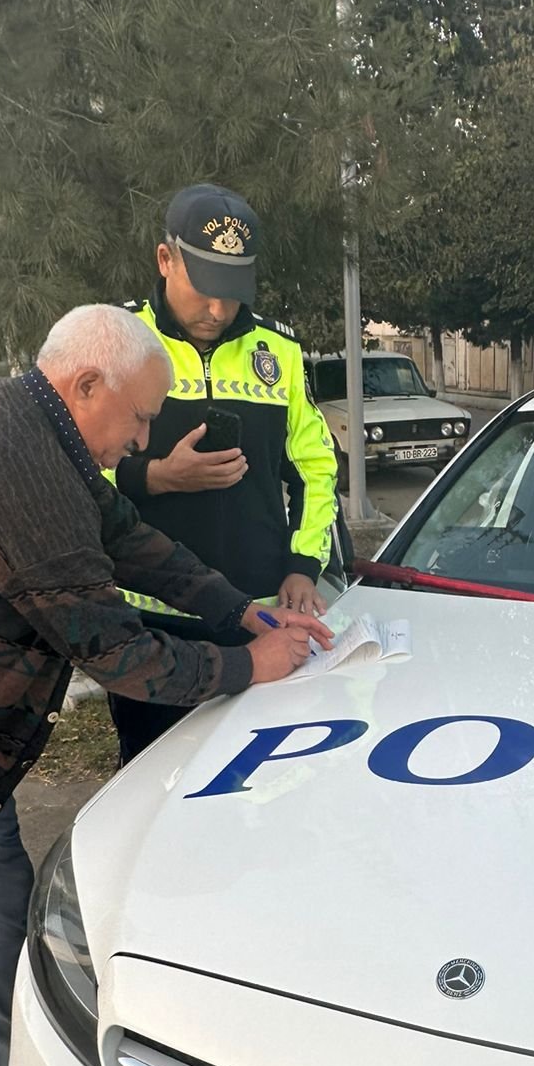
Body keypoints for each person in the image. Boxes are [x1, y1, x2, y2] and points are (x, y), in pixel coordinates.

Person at [0, 304, 331, 1066]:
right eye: (141, 419)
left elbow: (129, 537)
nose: (143, 442)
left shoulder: (33, 425)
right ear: (87, 385)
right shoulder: (16, 462)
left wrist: (239, 611)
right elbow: (115, 650)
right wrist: (249, 665)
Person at [108, 183, 340, 763]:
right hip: (154, 621)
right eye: (206, 289)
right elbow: (76, 470)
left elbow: (315, 467)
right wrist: (154, 477)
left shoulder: (278, 352)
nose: (218, 310)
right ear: (166, 260)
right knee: (151, 780)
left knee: (262, 780)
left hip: (258, 614)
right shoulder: (119, 343)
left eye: (233, 293)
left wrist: (304, 564)